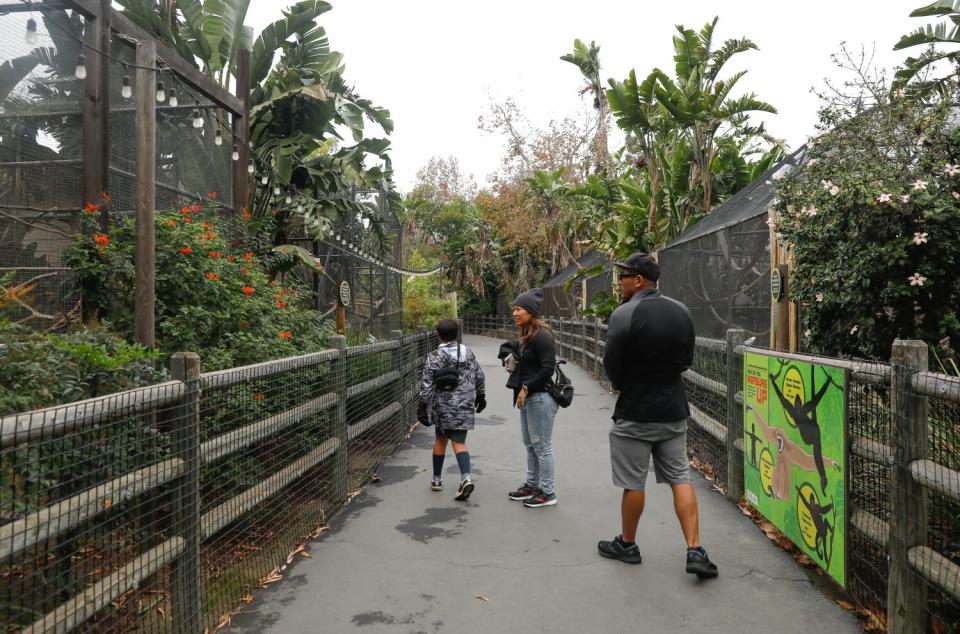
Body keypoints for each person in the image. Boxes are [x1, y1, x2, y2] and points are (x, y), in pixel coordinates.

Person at [597, 253, 718, 578]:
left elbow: (611, 362)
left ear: (638, 280)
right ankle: (695, 549)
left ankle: (627, 543)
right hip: (672, 408)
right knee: (680, 477)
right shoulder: (681, 311)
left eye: (623, 277)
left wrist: (625, 385)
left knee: (633, 482)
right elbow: (686, 359)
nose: (619, 282)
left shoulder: (625, 314)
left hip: (636, 411)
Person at [499, 288, 559, 508]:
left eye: (519, 309)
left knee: (542, 446)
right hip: (528, 397)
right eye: (513, 309)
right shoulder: (526, 336)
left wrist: (525, 388)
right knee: (530, 444)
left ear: (530, 312)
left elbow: (547, 369)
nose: (515, 313)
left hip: (540, 398)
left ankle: (548, 491)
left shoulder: (542, 337)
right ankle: (532, 485)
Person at [417, 319, 486, 501]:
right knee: (459, 442)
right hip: (464, 404)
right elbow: (479, 375)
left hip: (443, 405)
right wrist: (481, 395)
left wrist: (422, 406)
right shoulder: (467, 352)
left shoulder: (434, 356)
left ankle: (437, 480)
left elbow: (427, 384)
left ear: (437, 335)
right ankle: (465, 478)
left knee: (440, 440)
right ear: (457, 334)